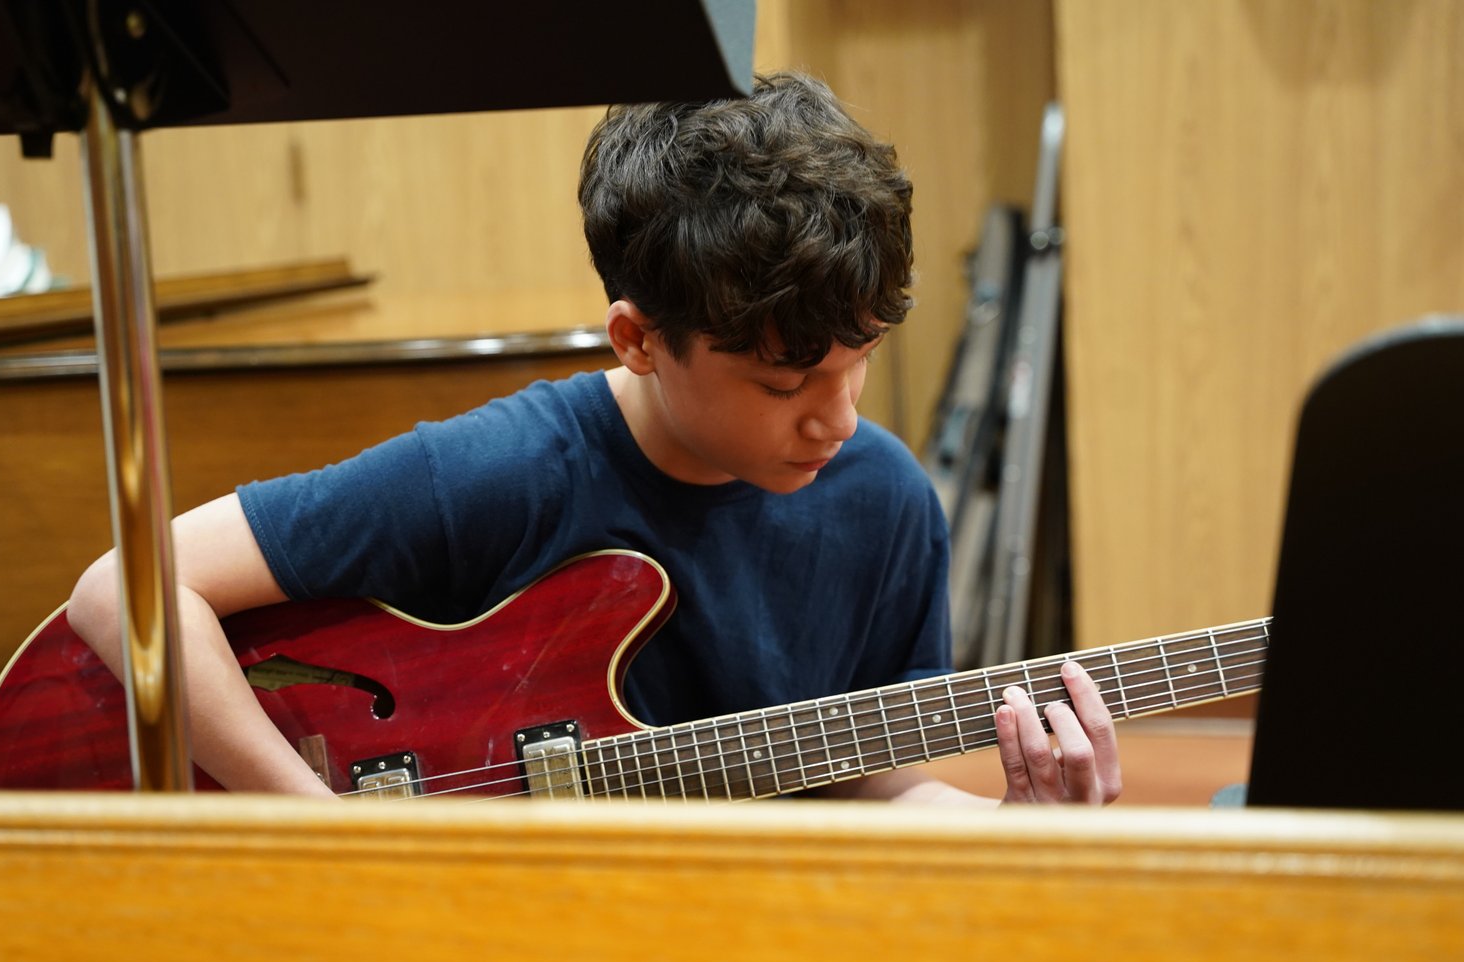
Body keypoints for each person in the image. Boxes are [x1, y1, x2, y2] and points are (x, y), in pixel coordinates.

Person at [67, 71, 1121, 806]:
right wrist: (312, 819)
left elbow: (866, 777)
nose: (837, 418)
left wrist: (1018, 822)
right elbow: (123, 590)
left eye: (862, 361)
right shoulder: (499, 470)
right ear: (637, 339)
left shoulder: (883, 501)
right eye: (783, 380)